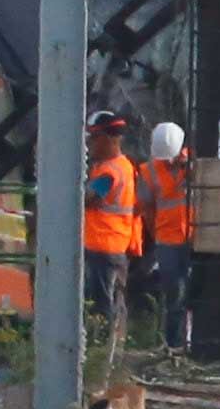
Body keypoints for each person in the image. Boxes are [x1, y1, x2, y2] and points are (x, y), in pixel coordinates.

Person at [80, 111, 140, 345]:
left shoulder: (109, 172)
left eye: (93, 138)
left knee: (101, 305)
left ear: (107, 138)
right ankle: (112, 349)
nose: (89, 144)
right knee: (111, 301)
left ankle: (102, 349)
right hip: (112, 245)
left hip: (103, 246)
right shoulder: (123, 166)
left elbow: (86, 199)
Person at [142, 120, 194, 353]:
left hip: (195, 236)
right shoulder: (149, 170)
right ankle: (174, 344)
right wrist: (157, 235)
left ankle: (195, 342)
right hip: (167, 240)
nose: (168, 162)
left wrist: (189, 167)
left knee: (196, 291)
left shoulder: (194, 164)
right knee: (175, 296)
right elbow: (146, 209)